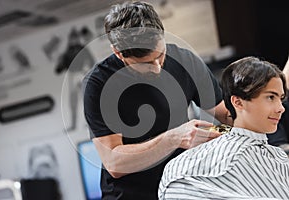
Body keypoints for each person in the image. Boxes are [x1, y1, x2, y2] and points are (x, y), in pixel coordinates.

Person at [83, 1, 230, 199]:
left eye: (160, 55)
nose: (157, 67)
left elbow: (227, 116)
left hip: (180, 188)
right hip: (130, 194)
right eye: (144, 64)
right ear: (118, 53)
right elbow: (115, 163)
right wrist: (174, 138)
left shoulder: (184, 60)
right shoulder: (99, 84)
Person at [159, 56, 289, 199]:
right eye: (271, 97)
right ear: (238, 102)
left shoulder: (278, 157)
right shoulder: (191, 168)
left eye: (280, 99)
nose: (281, 108)